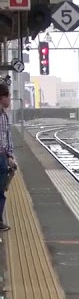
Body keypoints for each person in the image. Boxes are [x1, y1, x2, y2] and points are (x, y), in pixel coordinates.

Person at [0, 83, 12, 233]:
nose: (10, 100)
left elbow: (6, 137)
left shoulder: (4, 116)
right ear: (2, 97)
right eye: (8, 97)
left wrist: (9, 155)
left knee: (1, 190)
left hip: (2, 157)